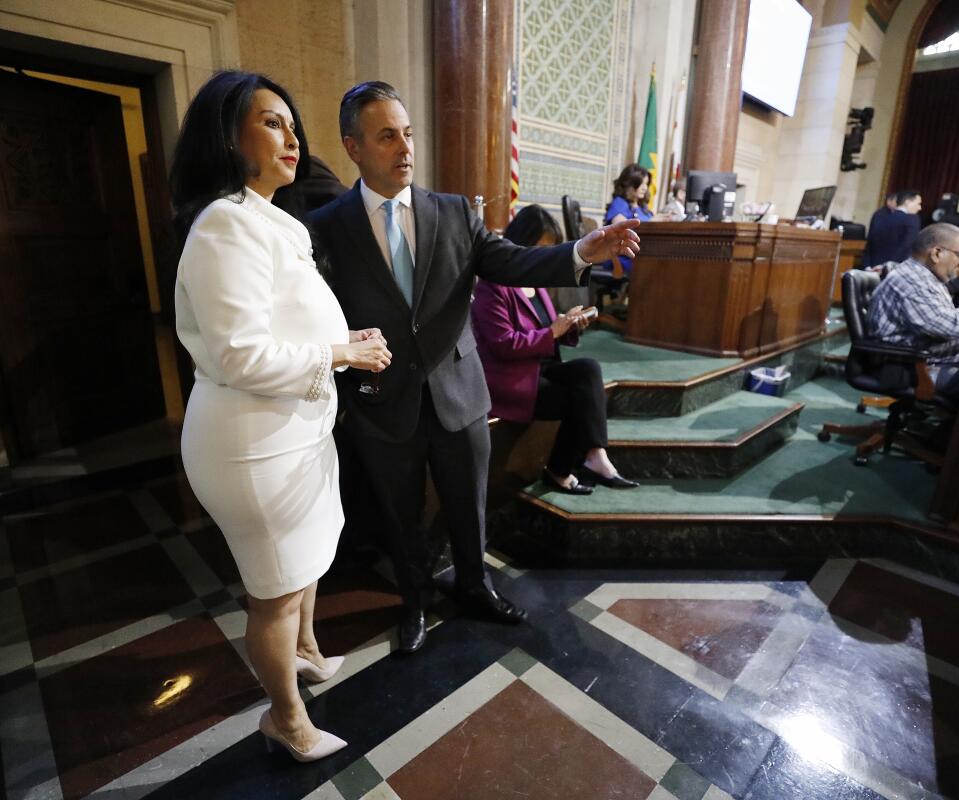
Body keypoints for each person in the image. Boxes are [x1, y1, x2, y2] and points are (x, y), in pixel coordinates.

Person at [305, 81, 640, 655]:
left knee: (468, 505)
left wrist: (582, 252)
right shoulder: (326, 225)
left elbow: (514, 261)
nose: (405, 148)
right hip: (382, 399)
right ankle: (412, 603)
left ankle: (476, 586)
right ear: (353, 147)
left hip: (458, 390)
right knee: (402, 516)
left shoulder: (453, 212)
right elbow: (317, 306)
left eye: (408, 134)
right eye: (387, 136)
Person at [170, 71, 391, 762]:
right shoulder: (225, 223)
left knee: (305, 563)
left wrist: (343, 346)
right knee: (274, 587)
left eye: (292, 123)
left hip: (293, 433)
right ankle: (286, 719)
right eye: (272, 122)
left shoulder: (269, 218)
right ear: (226, 135)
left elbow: (283, 324)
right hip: (251, 444)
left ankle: (306, 649)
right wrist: (339, 356)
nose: (292, 136)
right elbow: (239, 354)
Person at [471, 205, 639, 495]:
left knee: (588, 369)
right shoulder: (494, 284)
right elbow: (503, 344)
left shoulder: (535, 281)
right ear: (522, 240)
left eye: (550, 248)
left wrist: (570, 326)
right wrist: (552, 331)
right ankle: (562, 470)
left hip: (539, 366)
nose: (546, 255)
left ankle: (596, 455)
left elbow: (548, 330)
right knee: (577, 398)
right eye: (541, 246)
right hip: (511, 379)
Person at [867, 222, 959, 403]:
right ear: (937, 253)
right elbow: (950, 327)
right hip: (912, 367)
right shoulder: (914, 282)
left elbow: (944, 318)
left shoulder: (924, 276)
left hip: (923, 360)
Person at [604, 163, 653, 274]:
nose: (645, 188)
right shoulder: (619, 203)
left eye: (646, 184)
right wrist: (654, 221)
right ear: (630, 184)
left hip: (642, 253)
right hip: (624, 258)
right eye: (642, 184)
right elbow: (622, 229)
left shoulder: (642, 207)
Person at [863, 190, 922, 269]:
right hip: (895, 270)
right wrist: (885, 266)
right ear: (907, 202)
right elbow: (906, 245)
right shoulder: (913, 219)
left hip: (873, 267)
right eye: (918, 204)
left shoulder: (880, 216)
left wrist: (868, 266)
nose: (920, 208)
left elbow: (870, 243)